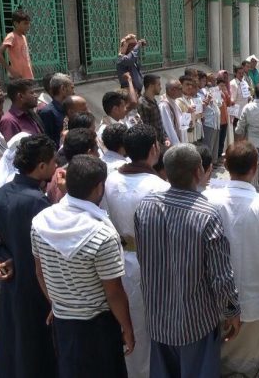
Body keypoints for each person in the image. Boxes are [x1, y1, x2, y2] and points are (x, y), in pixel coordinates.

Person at [135, 143, 241, 377]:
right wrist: (232, 311)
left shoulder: (145, 207)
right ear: (199, 171)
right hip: (196, 324)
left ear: (166, 171)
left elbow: (144, 257)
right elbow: (221, 277)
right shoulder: (207, 214)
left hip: (158, 320)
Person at [31, 155, 133, 378]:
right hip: (98, 327)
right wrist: (127, 327)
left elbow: (40, 272)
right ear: (99, 187)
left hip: (63, 322)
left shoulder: (41, 222)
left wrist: (58, 303)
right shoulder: (102, 234)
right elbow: (114, 292)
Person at [0, 134, 59, 377]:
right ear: (41, 166)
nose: (56, 167)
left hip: (14, 283)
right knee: (38, 345)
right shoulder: (38, 203)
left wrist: (3, 256)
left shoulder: (3, 192)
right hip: (37, 285)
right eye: (53, 162)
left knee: (17, 341)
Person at [204, 141, 259, 377]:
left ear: (226, 165)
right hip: (254, 305)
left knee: (215, 366)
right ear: (256, 167)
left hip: (212, 304)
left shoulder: (207, 201)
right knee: (249, 369)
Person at [104, 124, 168, 378]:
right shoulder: (159, 187)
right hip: (152, 262)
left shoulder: (110, 179)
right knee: (146, 327)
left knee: (132, 324)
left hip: (118, 259)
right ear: (154, 148)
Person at [45, 128, 99, 204]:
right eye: (97, 150)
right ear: (89, 154)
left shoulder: (56, 172)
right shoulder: (84, 186)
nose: (98, 155)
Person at [0, 9, 34, 80]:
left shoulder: (23, 37)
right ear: (16, 23)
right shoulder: (11, 36)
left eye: (29, 23)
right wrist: (11, 70)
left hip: (28, 76)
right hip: (18, 77)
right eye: (25, 23)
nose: (28, 26)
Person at [39, 73, 75, 144]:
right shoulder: (48, 112)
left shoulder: (70, 107)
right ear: (63, 89)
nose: (74, 92)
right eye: (72, 88)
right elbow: (49, 140)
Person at [137, 74, 168, 146]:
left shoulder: (153, 100)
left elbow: (159, 123)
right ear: (151, 86)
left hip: (161, 142)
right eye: (158, 84)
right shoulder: (142, 103)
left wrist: (165, 137)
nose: (161, 87)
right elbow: (145, 127)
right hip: (153, 144)